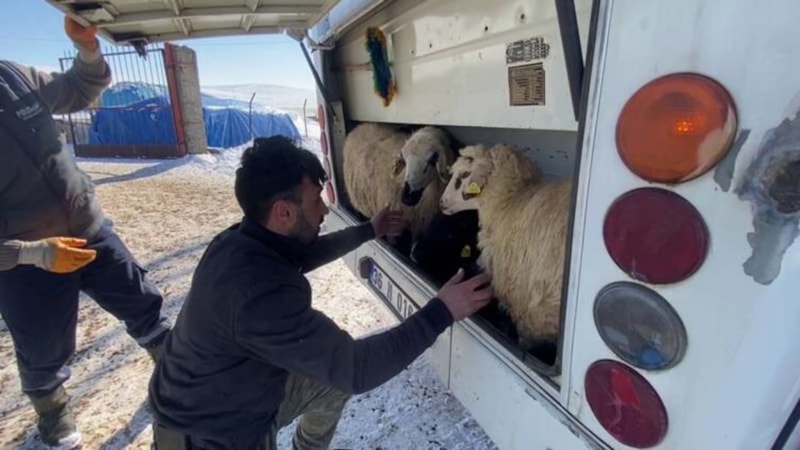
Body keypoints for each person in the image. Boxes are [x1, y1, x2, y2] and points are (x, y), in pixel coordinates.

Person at [148, 136, 493, 450]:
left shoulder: (240, 242)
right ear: (283, 212)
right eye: (316, 201)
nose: (326, 210)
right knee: (340, 374)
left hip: (223, 397)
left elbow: (300, 255)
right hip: (212, 436)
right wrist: (442, 311)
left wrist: (368, 231)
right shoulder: (257, 297)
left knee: (329, 383)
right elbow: (357, 369)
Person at [0, 17, 171, 449]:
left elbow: (80, 87)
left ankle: (171, 366)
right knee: (42, 350)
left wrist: (88, 50)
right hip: (24, 261)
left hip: (88, 228)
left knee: (142, 300)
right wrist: (32, 254)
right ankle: (54, 415)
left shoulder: (13, 78)